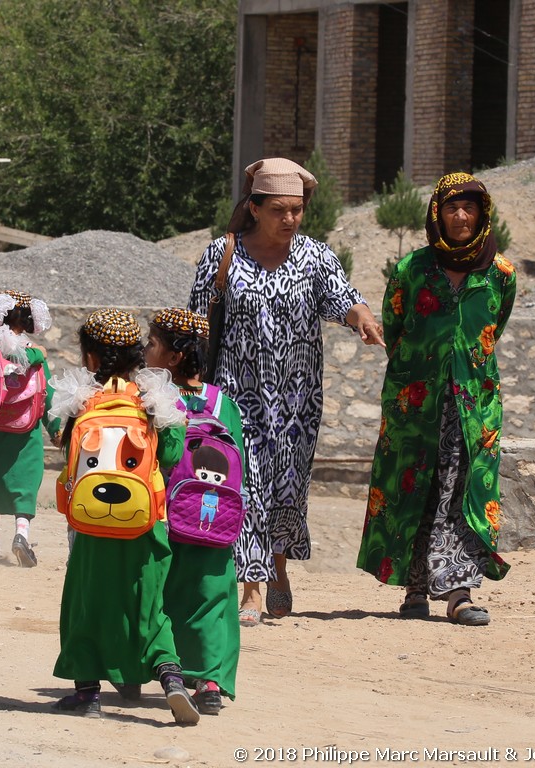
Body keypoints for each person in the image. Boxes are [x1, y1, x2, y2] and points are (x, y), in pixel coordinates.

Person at [188, 157, 385, 624]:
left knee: (287, 488)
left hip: (298, 400)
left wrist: (363, 320)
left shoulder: (315, 257)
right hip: (237, 394)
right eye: (280, 209)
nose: (291, 219)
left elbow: (343, 297)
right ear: (254, 208)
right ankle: (251, 587)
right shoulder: (222, 255)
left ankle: (278, 566)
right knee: (248, 485)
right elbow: (195, 324)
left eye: (297, 210)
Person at [357, 172, 516, 626]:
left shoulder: (501, 274)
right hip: (416, 403)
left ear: (483, 214)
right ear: (437, 214)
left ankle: (459, 593)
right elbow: (396, 324)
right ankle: (415, 588)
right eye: (451, 207)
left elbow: (492, 330)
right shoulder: (412, 269)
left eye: (469, 207)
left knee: (463, 489)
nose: (461, 216)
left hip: (474, 406)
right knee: (416, 487)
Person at [48, 308, 198, 725]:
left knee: (86, 602)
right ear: (136, 357)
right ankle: (171, 679)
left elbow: (65, 448)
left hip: (91, 522)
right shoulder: (154, 400)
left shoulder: (80, 399)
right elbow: (169, 455)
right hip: (146, 521)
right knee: (150, 607)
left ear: (91, 358)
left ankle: (87, 693)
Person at [145, 307, 241, 715]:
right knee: (212, 595)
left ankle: (150, 668)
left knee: (158, 590)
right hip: (217, 516)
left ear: (173, 358)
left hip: (166, 514)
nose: (144, 351)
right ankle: (211, 682)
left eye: (152, 344)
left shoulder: (154, 399)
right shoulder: (224, 403)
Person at [0, 290, 59, 567]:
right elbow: (47, 393)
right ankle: (21, 534)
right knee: (25, 483)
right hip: (27, 429)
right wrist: (55, 427)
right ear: (28, 320)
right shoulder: (36, 355)